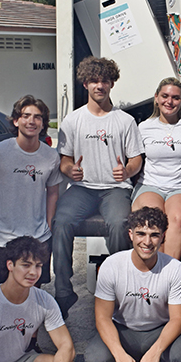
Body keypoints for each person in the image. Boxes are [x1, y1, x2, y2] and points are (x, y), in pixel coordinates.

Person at [53, 57, 143, 316]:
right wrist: (70, 169)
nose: (99, 85)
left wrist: (126, 170)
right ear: (85, 83)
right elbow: (65, 160)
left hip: (116, 189)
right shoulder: (73, 120)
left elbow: (136, 158)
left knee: (118, 224)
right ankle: (63, 291)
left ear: (112, 84)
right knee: (61, 221)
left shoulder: (124, 121)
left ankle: (118, 287)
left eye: (104, 80)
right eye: (94, 80)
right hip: (83, 189)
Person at [84, 207, 181, 362]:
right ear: (130, 235)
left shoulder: (174, 268)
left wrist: (155, 352)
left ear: (163, 237)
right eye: (141, 234)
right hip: (124, 330)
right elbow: (102, 317)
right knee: (93, 358)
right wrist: (119, 353)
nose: (147, 242)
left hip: (158, 330)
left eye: (154, 235)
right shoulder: (112, 265)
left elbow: (178, 320)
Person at [0, 96, 61, 288]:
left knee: (34, 290)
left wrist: (49, 224)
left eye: (37, 117)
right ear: (16, 120)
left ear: (43, 124)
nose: (31, 121)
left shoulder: (51, 156)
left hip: (38, 236)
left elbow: (53, 192)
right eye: (25, 116)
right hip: (4, 238)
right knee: (5, 292)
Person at [133, 77, 181, 259]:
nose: (169, 102)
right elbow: (134, 159)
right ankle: (151, 275)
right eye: (165, 96)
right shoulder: (144, 127)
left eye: (175, 97)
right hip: (150, 185)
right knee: (150, 221)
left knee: (177, 218)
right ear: (156, 97)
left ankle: (169, 275)